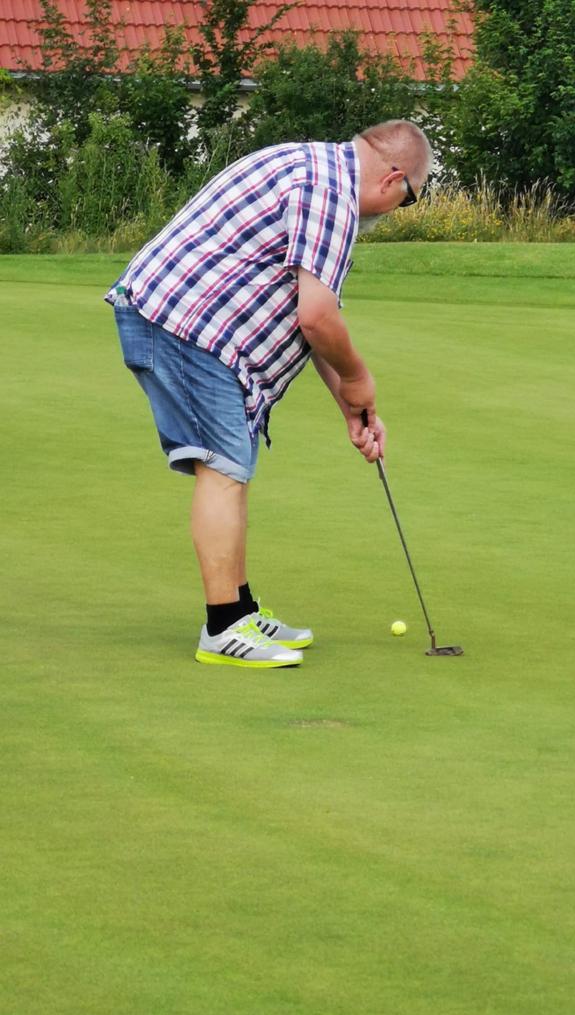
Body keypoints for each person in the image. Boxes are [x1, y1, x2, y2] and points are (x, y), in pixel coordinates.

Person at [107, 119, 432, 669]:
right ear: (393, 178)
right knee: (224, 467)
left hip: (186, 324)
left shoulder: (318, 171)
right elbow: (317, 317)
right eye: (409, 199)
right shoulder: (331, 193)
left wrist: (349, 405)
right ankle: (223, 628)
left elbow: (313, 316)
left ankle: (239, 610)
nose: (398, 210)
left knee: (232, 465)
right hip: (185, 325)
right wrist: (359, 378)